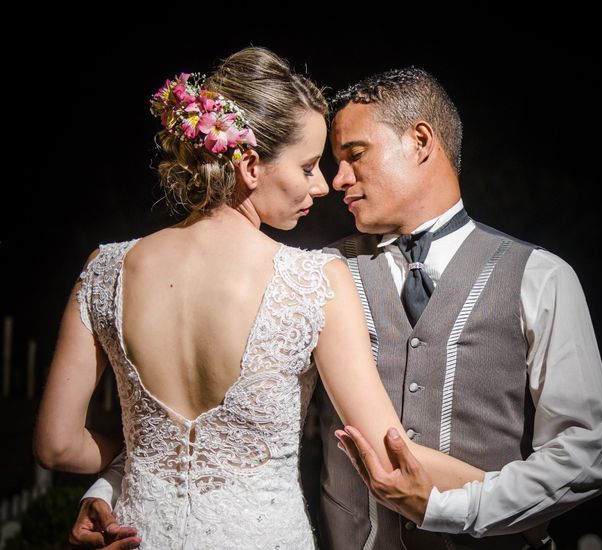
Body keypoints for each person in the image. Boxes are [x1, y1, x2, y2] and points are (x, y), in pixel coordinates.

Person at [34, 48, 486, 550]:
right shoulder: (314, 280)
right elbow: (388, 456)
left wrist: (143, 462)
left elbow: (56, 446)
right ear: (249, 165)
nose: (322, 186)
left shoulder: (105, 270)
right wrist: (518, 494)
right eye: (310, 166)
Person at [316, 68, 602, 549]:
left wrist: (456, 509)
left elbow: (583, 452)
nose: (338, 180)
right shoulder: (318, 274)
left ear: (419, 141)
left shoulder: (541, 275)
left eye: (355, 155)